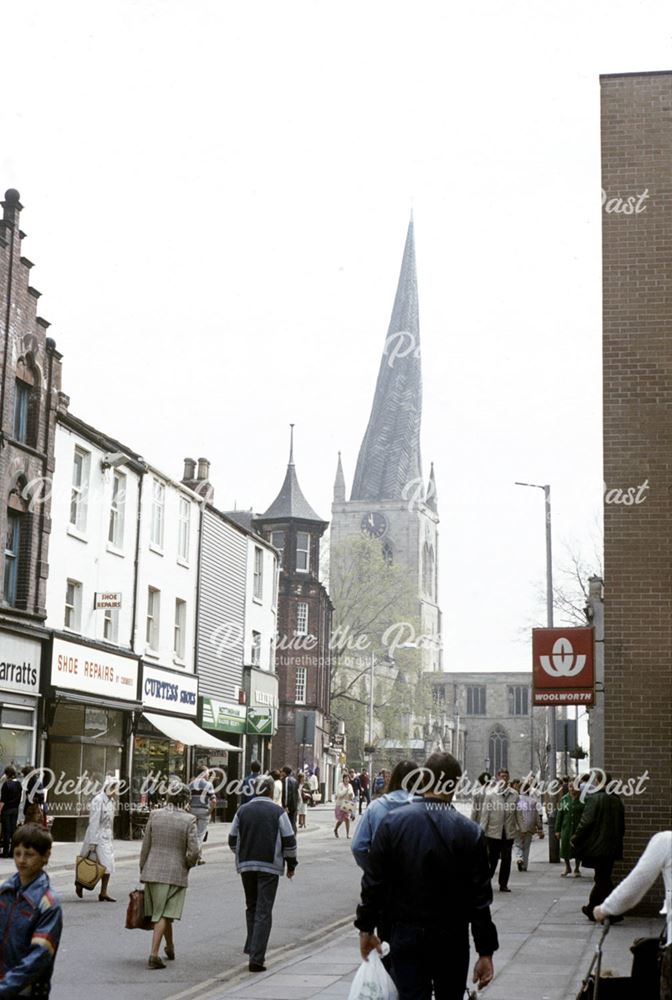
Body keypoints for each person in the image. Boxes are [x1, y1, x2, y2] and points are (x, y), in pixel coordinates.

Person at [355, 752, 498, 999]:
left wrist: (366, 929)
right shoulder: (470, 833)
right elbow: (480, 901)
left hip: (406, 934)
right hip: (451, 939)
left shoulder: (392, 823)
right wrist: (485, 952)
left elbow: (373, 883)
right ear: (454, 784)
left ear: (423, 780)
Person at [228, 775, 298, 972]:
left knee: (252, 907)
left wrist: (242, 853)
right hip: (269, 866)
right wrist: (291, 864)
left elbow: (232, 839)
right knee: (264, 910)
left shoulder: (242, 810)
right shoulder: (278, 812)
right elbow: (289, 841)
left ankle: (253, 948)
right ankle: (256, 958)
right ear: (270, 791)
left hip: (246, 865)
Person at [139, 783, 200, 969]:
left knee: (164, 912)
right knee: (164, 913)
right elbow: (194, 851)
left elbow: (146, 845)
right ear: (185, 799)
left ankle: (170, 947)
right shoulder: (189, 820)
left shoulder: (155, 815)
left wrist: (143, 868)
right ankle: (153, 955)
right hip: (175, 872)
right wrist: (188, 864)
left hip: (152, 870)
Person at [0, 824, 63, 997]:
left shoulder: (48, 904)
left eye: (29, 855)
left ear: (45, 856)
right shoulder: (5, 892)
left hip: (26, 991)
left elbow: (38, 956)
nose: (21, 860)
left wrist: (6, 986)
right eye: (17, 853)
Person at [571, 776, 625, 921]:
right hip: (612, 847)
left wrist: (575, 838)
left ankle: (614, 912)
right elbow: (622, 826)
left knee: (602, 879)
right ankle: (591, 908)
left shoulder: (594, 799)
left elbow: (586, 822)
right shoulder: (616, 800)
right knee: (603, 876)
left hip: (597, 846)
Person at [352, 760, 417, 869]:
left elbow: (357, 847)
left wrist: (373, 870)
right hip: (415, 877)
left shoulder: (375, 807)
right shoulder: (425, 809)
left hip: (382, 875)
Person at [75, 777, 119, 901]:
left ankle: (103, 892)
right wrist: (93, 842)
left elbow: (111, 821)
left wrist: (111, 836)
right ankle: (80, 883)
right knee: (91, 862)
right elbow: (94, 821)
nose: (115, 791)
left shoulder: (112, 802)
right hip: (97, 836)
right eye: (113, 788)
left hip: (106, 837)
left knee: (108, 865)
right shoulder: (98, 800)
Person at [479, 768, 518, 892]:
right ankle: (486, 882)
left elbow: (518, 812)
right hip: (493, 832)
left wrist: (524, 828)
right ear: (497, 777)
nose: (504, 779)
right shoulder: (490, 795)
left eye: (506, 776)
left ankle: (503, 884)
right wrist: (481, 831)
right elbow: (485, 814)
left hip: (508, 832)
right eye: (502, 776)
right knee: (492, 859)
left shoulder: (514, 794)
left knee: (507, 860)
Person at [514, 779, 544, 872]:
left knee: (517, 844)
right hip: (529, 826)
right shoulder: (533, 801)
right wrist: (539, 827)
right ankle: (524, 866)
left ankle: (519, 857)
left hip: (518, 825)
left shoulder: (516, 800)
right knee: (526, 846)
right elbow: (536, 816)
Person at [554, 782, 584, 877]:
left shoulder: (583, 799)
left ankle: (577, 868)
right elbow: (560, 815)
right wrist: (557, 830)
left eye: (574, 787)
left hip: (578, 828)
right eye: (570, 787)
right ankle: (567, 867)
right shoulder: (564, 799)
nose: (572, 789)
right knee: (565, 848)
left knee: (577, 848)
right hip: (566, 828)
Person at [188, 767, 216, 864]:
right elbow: (213, 800)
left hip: (192, 811)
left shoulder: (191, 784)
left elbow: (187, 798)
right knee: (200, 835)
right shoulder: (208, 785)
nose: (208, 775)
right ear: (203, 773)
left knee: (193, 834)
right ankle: (195, 857)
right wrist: (209, 811)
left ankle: (198, 857)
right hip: (203, 811)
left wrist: (189, 808)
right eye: (207, 773)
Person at [0, 766, 23, 858]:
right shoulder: (19, 784)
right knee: (13, 831)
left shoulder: (6, 784)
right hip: (15, 809)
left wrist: (0, 810)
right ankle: (12, 852)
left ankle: (5, 852)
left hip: (7, 810)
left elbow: (3, 801)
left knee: (6, 831)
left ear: (7, 774)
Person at [334, 772, 355, 838]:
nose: (347, 780)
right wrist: (345, 791)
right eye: (345, 778)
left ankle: (347, 834)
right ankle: (336, 829)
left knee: (347, 819)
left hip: (347, 804)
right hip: (340, 804)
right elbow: (339, 794)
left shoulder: (350, 786)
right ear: (343, 779)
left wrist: (351, 796)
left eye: (348, 778)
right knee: (341, 819)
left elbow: (352, 794)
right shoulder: (340, 785)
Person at [281, 766, 299, 833]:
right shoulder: (295, 780)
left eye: (282, 771)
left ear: (284, 772)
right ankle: (293, 836)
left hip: (289, 806)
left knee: (287, 823)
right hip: (294, 805)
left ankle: (290, 837)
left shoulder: (286, 780)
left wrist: (285, 805)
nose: (281, 773)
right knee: (293, 822)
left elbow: (286, 793)